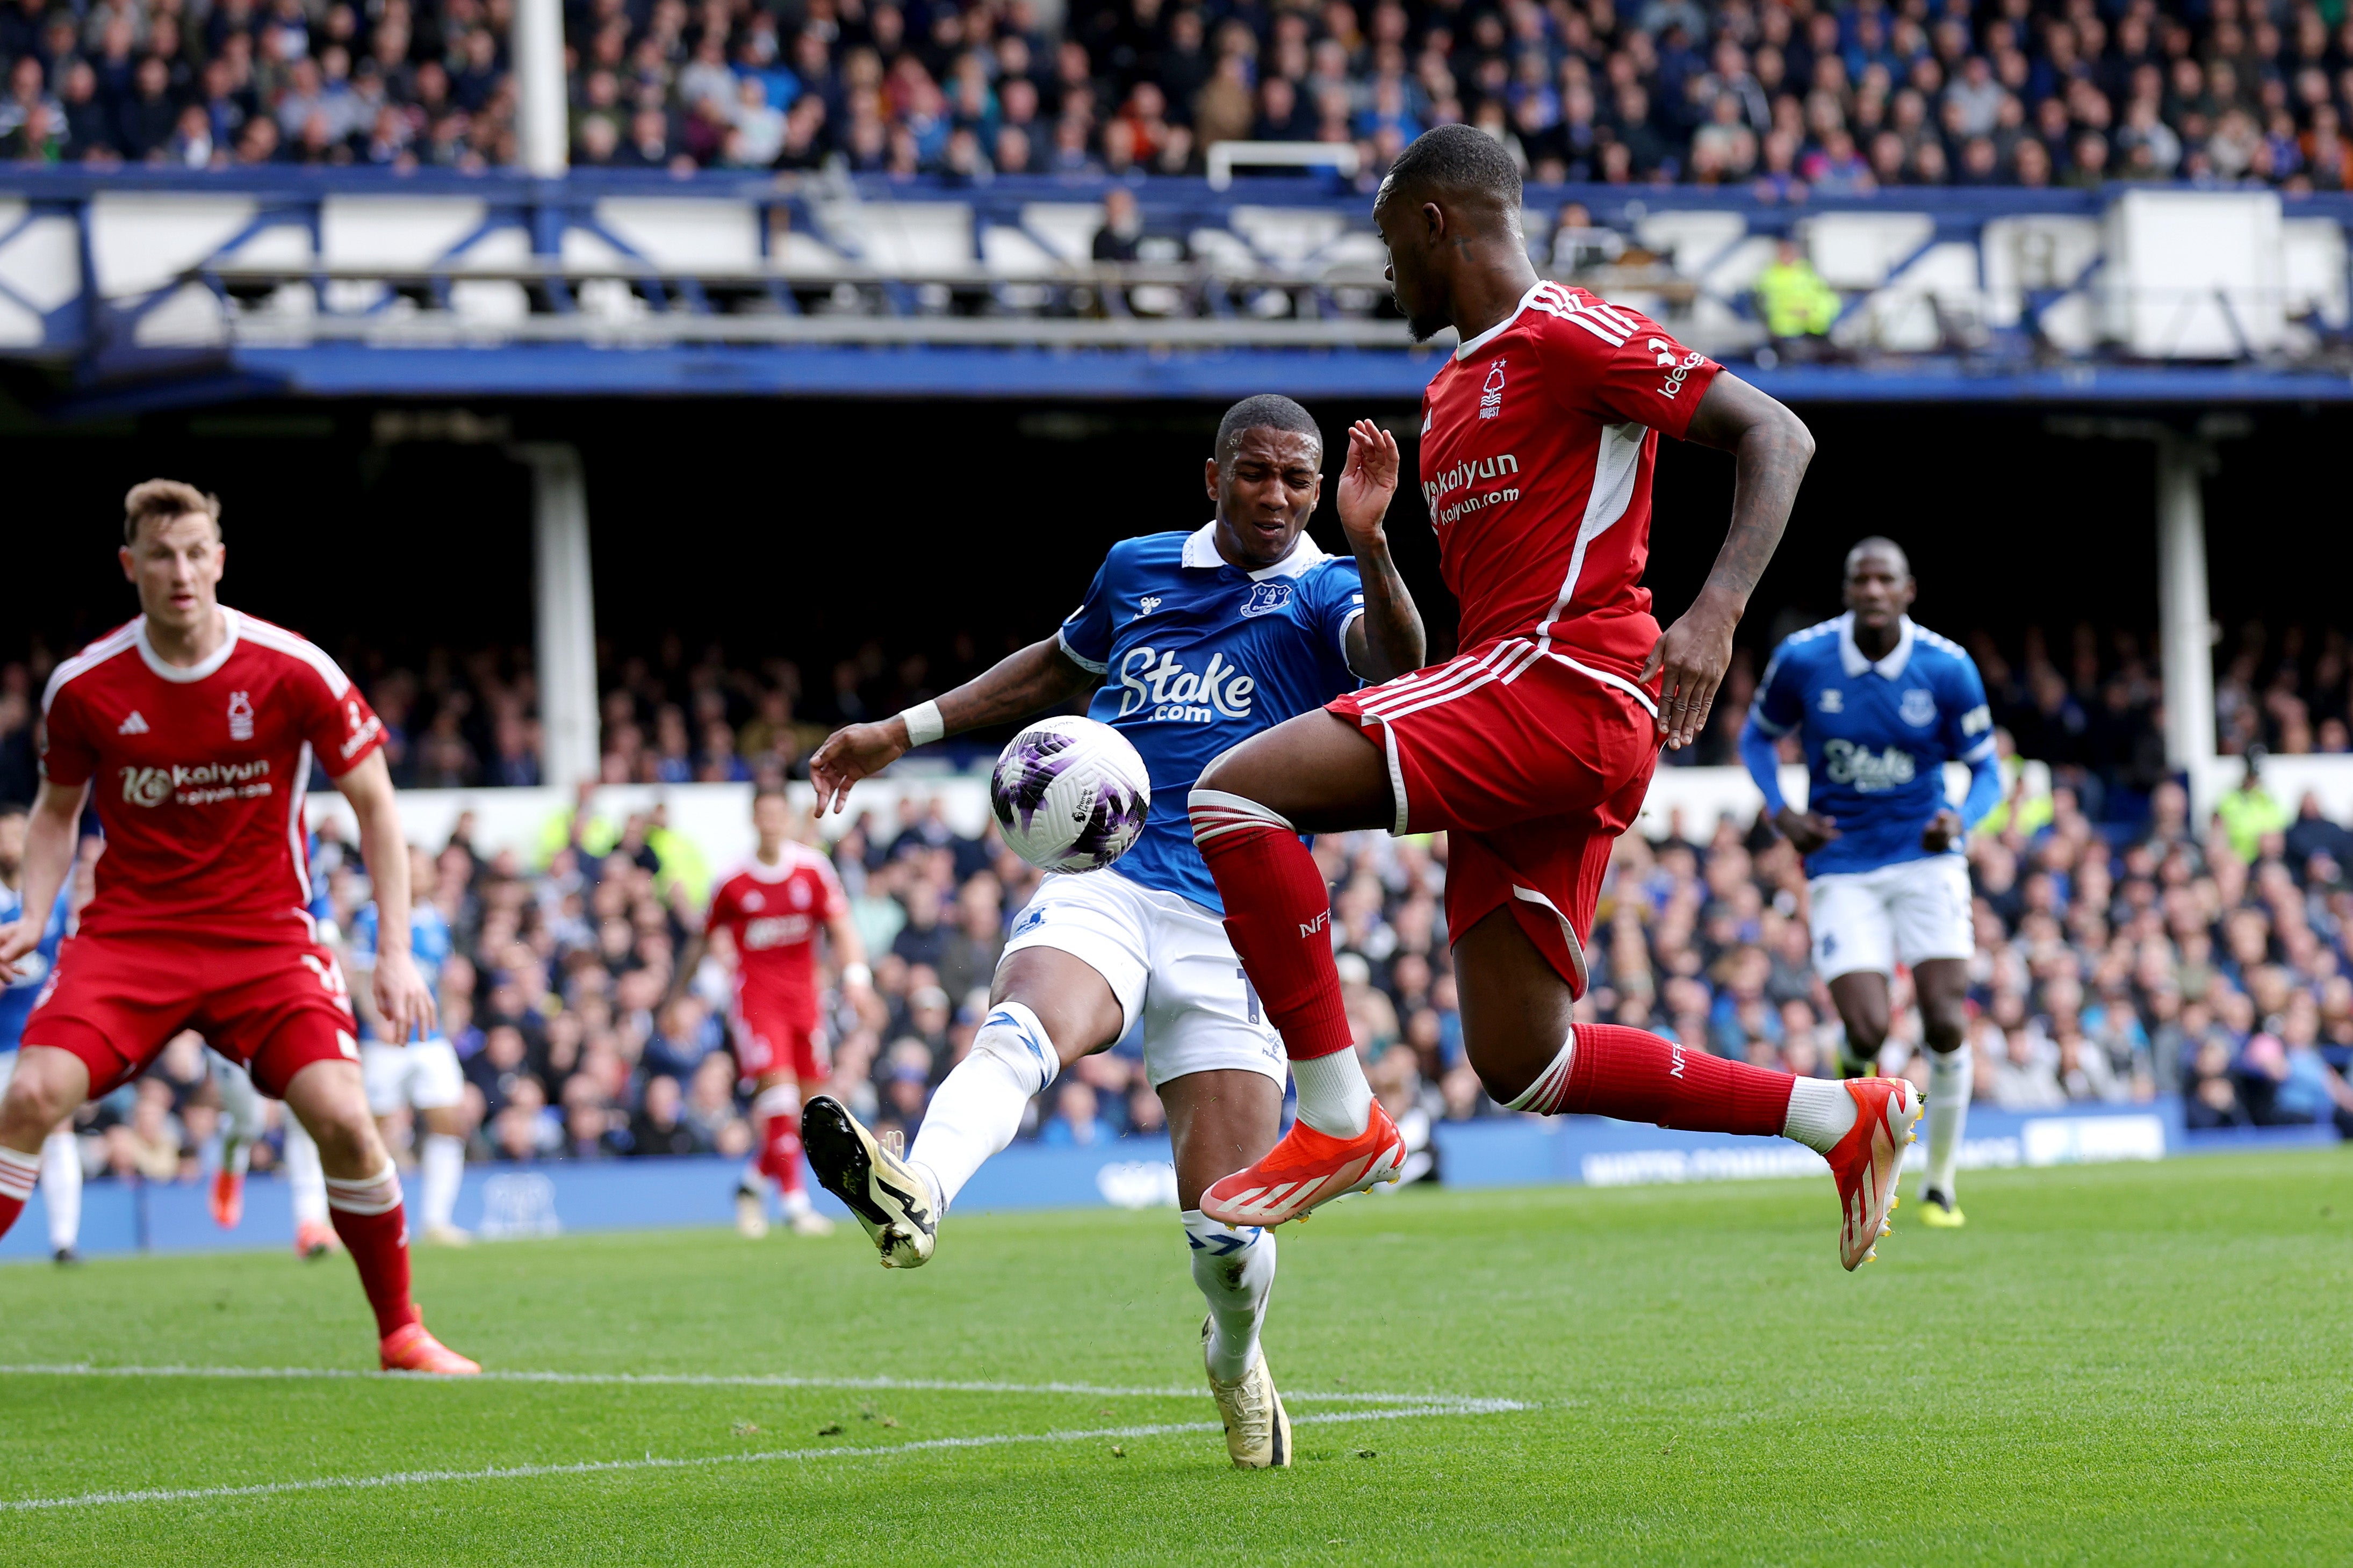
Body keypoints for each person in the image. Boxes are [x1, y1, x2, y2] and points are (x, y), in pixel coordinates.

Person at [1180, 126, 1917, 1275]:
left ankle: (1333, 1115)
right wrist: (1371, 550)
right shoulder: (1446, 394)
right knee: (1521, 1060)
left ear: (1436, 223)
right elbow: (1416, 660)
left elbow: (1776, 432)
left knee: (1228, 798)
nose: (1386, 274)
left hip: (1565, 685)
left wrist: (1715, 610)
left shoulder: (1568, 331)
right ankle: (1835, 1115)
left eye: (1390, 244)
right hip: (1516, 703)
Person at [802, 393, 1424, 1468]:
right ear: (1210, 476)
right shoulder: (1136, 566)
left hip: (1240, 915)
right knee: (1020, 1026)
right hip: (1109, 876)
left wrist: (1371, 545)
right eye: (1254, 474)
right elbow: (1055, 667)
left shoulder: (1325, 585)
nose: (1274, 496)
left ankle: (1233, 1358)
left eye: (1297, 480)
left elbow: (1390, 658)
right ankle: (918, 1193)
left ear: (1320, 490)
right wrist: (897, 733)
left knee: (1226, 1229)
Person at [0, 480, 478, 1374]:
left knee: (342, 1114)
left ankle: (401, 1330)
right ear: (130, 565)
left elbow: (376, 805)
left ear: (218, 559)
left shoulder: (295, 667)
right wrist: (35, 911)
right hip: (131, 939)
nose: (179, 571)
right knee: (28, 1098)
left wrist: (398, 947)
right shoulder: (84, 686)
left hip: (266, 940)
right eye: (160, 555)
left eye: (195, 553)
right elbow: (57, 810)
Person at [1738, 538, 2002, 1227]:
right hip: (1843, 864)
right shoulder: (1803, 658)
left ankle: (1938, 1185)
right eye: (1862, 579)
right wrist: (1781, 812)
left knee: (1945, 1021)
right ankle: (1854, 1095)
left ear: (1907, 591)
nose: (1874, 589)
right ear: (1848, 590)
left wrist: (1960, 820)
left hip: (1924, 860)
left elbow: (1989, 771)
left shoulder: (1946, 668)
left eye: (1887, 579)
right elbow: (1754, 737)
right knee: (1867, 1026)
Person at [672, 787, 869, 1238]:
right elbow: (701, 939)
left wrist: (857, 977)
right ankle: (796, 1205)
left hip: (806, 1004)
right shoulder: (733, 878)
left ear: (787, 818)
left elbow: (841, 927)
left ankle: (751, 1184)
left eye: (779, 814)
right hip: (757, 1004)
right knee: (778, 1102)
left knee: (809, 1112)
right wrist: (676, 998)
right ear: (754, 819)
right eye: (764, 814)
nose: (772, 822)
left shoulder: (812, 869)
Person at [345, 844, 472, 1245]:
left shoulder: (437, 920)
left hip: (430, 1039)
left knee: (448, 1120)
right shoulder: (372, 918)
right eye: (411, 869)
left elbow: (443, 979)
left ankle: (436, 1220)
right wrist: (375, 1021)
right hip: (385, 1042)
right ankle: (377, 1223)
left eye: (423, 869)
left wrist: (451, 1019)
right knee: (378, 1131)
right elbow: (362, 977)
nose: (418, 876)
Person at [0, 801, 82, 1263]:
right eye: (5, 835)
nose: (12, 843)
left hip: (39, 1040)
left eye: (19, 833)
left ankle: (64, 1241)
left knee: (59, 1130)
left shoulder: (51, 899)